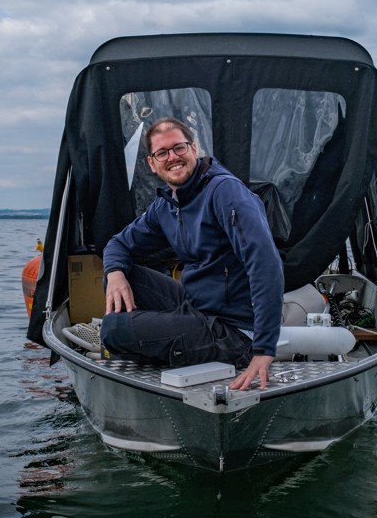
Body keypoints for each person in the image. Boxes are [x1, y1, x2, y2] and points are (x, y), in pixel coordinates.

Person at [100, 118, 284, 391]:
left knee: (114, 330)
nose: (172, 157)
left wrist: (264, 348)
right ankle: (170, 341)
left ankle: (164, 342)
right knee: (119, 277)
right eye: (162, 153)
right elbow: (118, 244)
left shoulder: (225, 192)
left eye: (179, 148)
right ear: (152, 163)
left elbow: (266, 264)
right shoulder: (167, 205)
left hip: (233, 330)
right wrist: (114, 273)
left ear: (194, 149)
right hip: (195, 307)